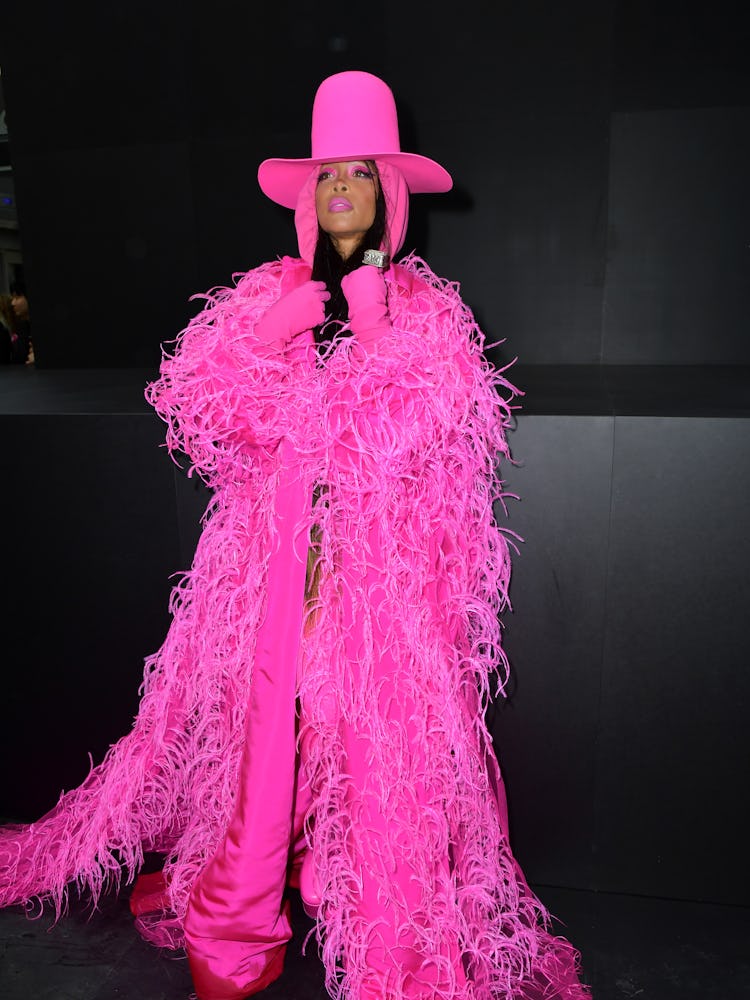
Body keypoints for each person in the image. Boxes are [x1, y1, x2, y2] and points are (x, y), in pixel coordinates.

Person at [0, 72, 588, 1000]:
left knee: (367, 744)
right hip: (265, 576)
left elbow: (428, 438)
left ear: (388, 194)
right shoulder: (267, 294)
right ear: (310, 198)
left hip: (376, 590)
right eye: (328, 175)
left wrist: (376, 330)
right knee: (263, 747)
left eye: (360, 172)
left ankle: (352, 892)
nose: (342, 188)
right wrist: (266, 338)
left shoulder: (427, 313)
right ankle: (241, 921)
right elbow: (197, 407)